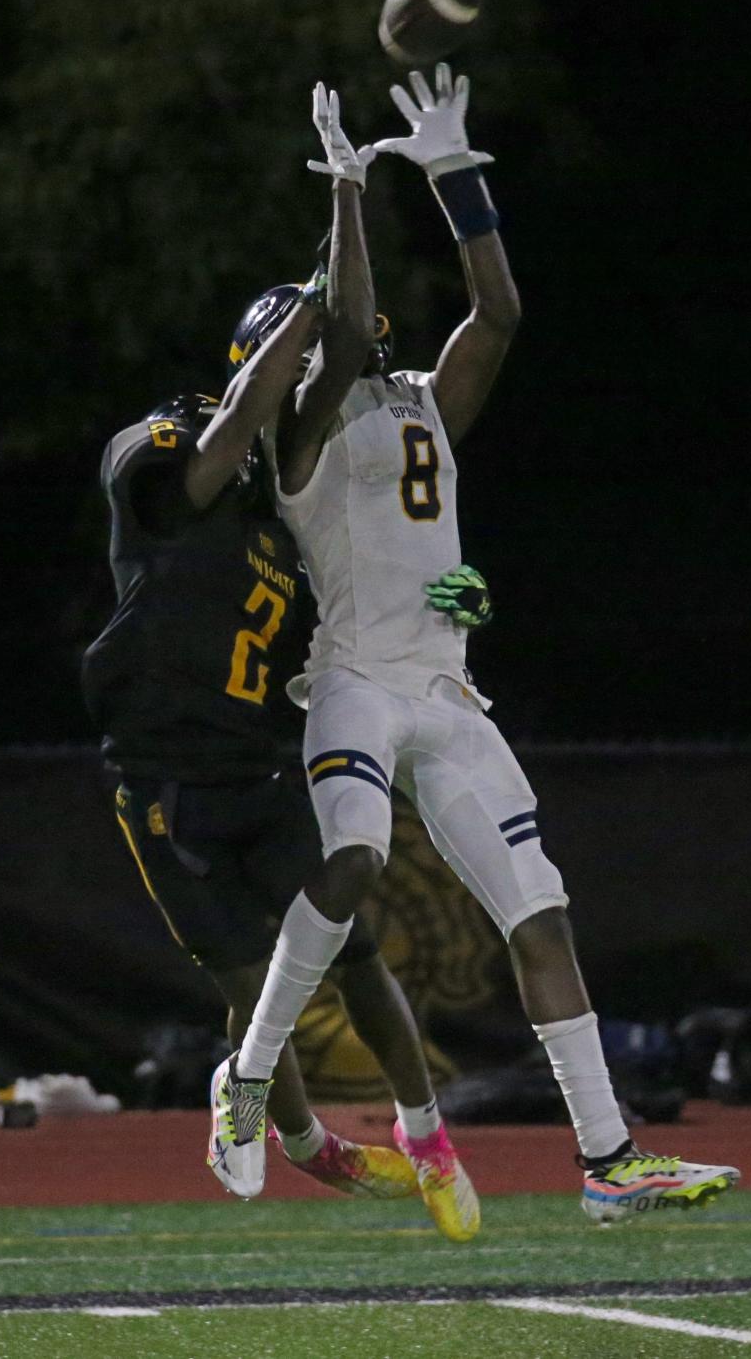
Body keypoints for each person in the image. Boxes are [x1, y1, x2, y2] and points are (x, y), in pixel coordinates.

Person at [210, 65, 740, 1225]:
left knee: (540, 914)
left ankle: (608, 1161)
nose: (302, 359)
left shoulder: (419, 404)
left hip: (447, 689)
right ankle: (249, 1074)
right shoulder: (296, 432)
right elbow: (343, 324)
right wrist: (348, 194)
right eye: (285, 351)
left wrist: (456, 176)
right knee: (350, 861)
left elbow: (497, 313)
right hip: (352, 679)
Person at [81, 113, 484, 1241]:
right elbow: (237, 425)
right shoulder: (164, 446)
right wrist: (303, 313)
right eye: (293, 366)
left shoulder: (290, 506)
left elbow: (382, 538)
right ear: (253, 361)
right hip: (160, 775)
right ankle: (300, 1141)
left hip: (257, 759)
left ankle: (426, 1131)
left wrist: (459, 594)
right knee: (254, 977)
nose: (315, 383)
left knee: (344, 948)